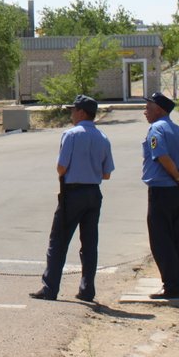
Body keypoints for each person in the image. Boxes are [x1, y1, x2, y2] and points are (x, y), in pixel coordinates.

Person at [30, 94, 114, 303]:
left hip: (73, 193)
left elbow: (61, 167)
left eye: (73, 110)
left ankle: (50, 288)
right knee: (89, 243)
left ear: (82, 113)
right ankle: (87, 290)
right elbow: (107, 174)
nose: (71, 113)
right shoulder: (103, 137)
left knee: (58, 241)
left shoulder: (71, 135)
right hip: (94, 193)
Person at [140, 91, 179, 301]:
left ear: (159, 109)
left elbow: (162, 157)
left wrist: (177, 177)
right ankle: (176, 283)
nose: (145, 111)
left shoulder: (157, 129)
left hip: (162, 190)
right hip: (178, 193)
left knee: (160, 239)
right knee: (175, 237)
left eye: (148, 107)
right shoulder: (178, 131)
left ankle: (171, 284)